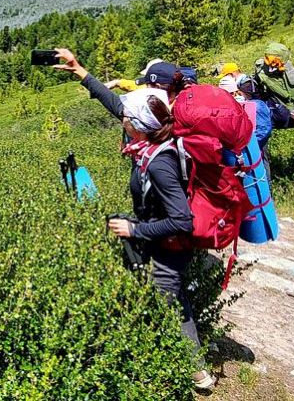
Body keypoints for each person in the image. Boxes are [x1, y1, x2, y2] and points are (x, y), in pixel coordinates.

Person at [53, 48, 215, 390]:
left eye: (127, 116)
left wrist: (134, 228)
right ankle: (164, 354)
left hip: (171, 242)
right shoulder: (151, 140)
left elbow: (182, 220)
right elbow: (114, 103)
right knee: (156, 290)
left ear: (136, 127)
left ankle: (193, 372)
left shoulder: (158, 162)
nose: (121, 116)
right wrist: (81, 72)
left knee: (167, 299)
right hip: (158, 235)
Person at [252, 43, 294, 127]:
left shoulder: (289, 73)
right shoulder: (261, 66)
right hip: (266, 95)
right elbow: (256, 79)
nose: (270, 63)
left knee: (282, 116)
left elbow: (292, 96)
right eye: (267, 58)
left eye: (273, 60)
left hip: (281, 102)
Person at [220, 75, 273, 150]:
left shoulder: (256, 105)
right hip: (246, 148)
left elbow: (263, 130)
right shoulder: (257, 104)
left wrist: (249, 145)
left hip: (251, 148)